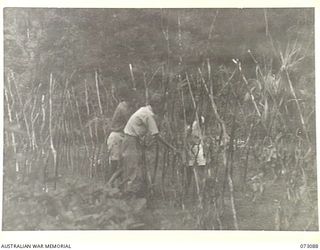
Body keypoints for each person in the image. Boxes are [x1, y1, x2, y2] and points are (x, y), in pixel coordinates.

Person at [121, 93, 176, 198]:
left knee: (133, 167)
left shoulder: (144, 110)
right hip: (130, 140)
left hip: (132, 139)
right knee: (132, 169)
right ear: (156, 104)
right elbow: (156, 135)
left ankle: (131, 193)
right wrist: (172, 148)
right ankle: (128, 197)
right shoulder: (148, 115)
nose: (161, 109)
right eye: (161, 106)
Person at [106, 86, 133, 185]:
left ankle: (115, 184)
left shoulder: (125, 107)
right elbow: (129, 122)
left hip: (121, 136)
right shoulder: (123, 107)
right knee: (115, 161)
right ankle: (110, 184)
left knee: (121, 162)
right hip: (116, 136)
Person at [185, 111, 207, 201]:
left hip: (198, 148)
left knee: (200, 169)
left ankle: (199, 192)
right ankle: (190, 192)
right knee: (191, 170)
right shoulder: (192, 125)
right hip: (193, 148)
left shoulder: (198, 122)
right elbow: (189, 138)